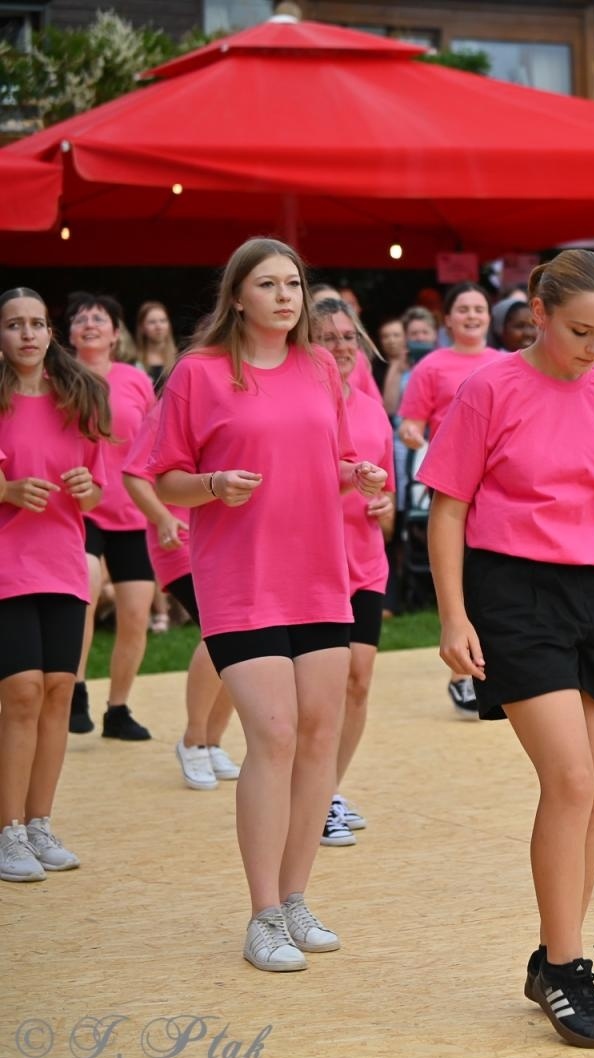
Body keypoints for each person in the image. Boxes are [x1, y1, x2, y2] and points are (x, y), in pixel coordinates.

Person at [421, 251, 594, 1049]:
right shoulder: (489, 387)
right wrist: (452, 617)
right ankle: (566, 963)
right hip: (514, 589)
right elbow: (448, 510)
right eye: (579, 330)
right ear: (538, 310)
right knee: (571, 777)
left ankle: (557, 957)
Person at [150, 237, 390, 972]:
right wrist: (212, 485)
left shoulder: (320, 367)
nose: (287, 296)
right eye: (269, 284)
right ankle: (260, 913)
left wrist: (357, 473)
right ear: (238, 296)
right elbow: (164, 477)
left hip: (321, 574)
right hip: (240, 582)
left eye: (294, 283)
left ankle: (294, 898)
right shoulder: (197, 373)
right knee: (276, 734)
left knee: (320, 734)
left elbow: (327, 459)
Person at [0, 287, 108, 883]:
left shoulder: (81, 396)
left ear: (51, 333)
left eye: (37, 323)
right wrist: (8, 491)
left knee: (60, 691)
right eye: (14, 324)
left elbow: (97, 485)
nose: (27, 334)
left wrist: (89, 492)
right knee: (19, 691)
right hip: (5, 563)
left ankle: (39, 822)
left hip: (63, 559)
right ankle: (7, 829)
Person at [312, 298, 396, 843]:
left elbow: (385, 494)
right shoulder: (301, 406)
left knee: (359, 682)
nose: (342, 346)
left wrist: (383, 506)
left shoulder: (370, 409)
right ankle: (310, 796)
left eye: (349, 336)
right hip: (313, 565)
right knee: (321, 688)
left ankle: (328, 790)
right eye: (329, 337)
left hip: (365, 560)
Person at [122, 403, 240, 792]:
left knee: (242, 639)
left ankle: (211, 740)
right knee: (219, 632)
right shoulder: (168, 410)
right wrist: (161, 517)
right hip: (179, 538)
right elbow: (135, 476)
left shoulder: (233, 404)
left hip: (227, 536)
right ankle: (192, 740)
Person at [398, 282, 501, 719]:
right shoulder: (432, 366)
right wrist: (416, 439)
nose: (473, 316)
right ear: (448, 320)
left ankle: (489, 666)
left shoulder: (506, 363)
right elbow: (410, 424)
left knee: (494, 576)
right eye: (464, 309)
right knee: (462, 572)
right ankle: (463, 672)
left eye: (480, 308)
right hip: (455, 486)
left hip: (499, 487)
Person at [65, 295, 156, 742]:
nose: (89, 323)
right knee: (83, 590)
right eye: (80, 319)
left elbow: (158, 440)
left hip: (133, 512)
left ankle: (117, 709)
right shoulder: (56, 380)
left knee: (136, 615)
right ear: (68, 335)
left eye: (99, 318)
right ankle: (75, 690)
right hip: (80, 509)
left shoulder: (136, 380)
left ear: (117, 334)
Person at [134, 301, 178, 384]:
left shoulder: (179, 358)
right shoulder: (133, 361)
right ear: (142, 327)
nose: (159, 326)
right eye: (152, 322)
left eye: (163, 321)